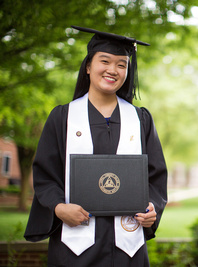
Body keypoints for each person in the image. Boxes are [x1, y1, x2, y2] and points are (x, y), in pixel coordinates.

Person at [24, 26, 168, 266]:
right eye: (105, 61)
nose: (113, 70)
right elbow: (45, 176)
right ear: (88, 67)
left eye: (122, 64)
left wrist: (152, 208)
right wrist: (58, 208)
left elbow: (156, 176)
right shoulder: (63, 118)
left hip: (128, 248)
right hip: (75, 248)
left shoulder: (140, 119)